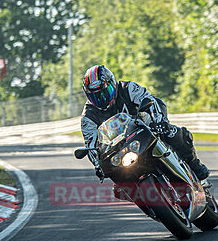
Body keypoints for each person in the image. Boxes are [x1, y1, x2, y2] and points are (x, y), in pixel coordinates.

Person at [80, 65, 210, 199]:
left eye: (104, 92)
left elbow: (149, 100)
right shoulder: (88, 117)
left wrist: (159, 122)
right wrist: (97, 163)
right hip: (119, 148)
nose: (101, 99)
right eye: (95, 96)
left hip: (145, 128)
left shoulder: (128, 88)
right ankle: (140, 196)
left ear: (112, 83)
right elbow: (91, 143)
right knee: (114, 179)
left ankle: (195, 166)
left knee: (175, 134)